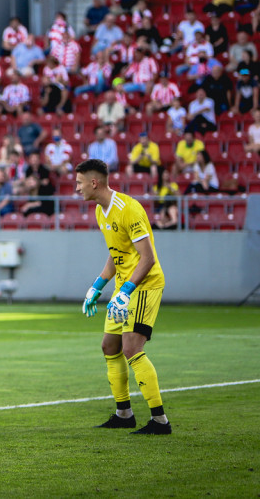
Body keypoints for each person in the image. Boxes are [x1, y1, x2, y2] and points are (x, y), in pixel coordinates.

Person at [75, 159, 171, 435]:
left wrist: (126, 291)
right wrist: (97, 286)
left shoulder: (128, 208)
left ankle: (160, 421)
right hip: (123, 287)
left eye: (80, 182)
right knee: (109, 347)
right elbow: (116, 254)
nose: (77, 188)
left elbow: (148, 258)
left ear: (94, 183)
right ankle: (124, 414)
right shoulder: (100, 211)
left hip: (144, 285)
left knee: (132, 348)